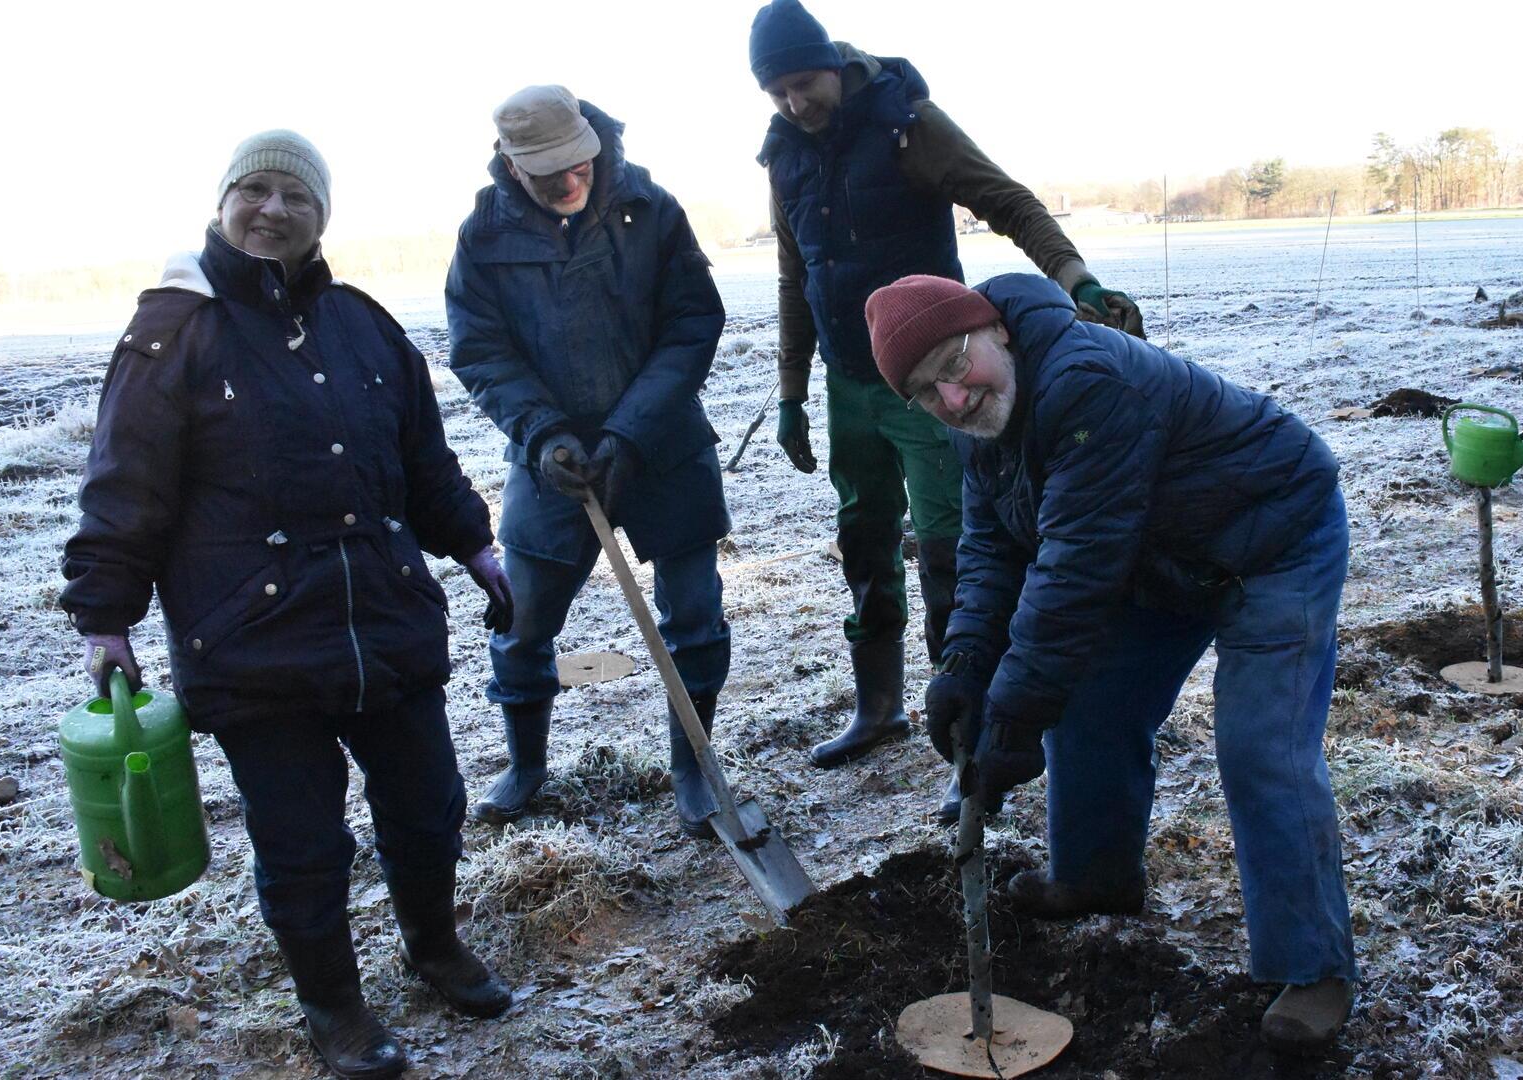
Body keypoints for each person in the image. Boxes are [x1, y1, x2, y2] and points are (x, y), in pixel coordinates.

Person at [61, 131, 516, 1080]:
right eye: (253, 191)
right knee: (305, 843)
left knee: (430, 808)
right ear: (224, 203)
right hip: (250, 640)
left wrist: (474, 545)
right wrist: (107, 615)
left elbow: (423, 461)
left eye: (294, 197)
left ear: (321, 219)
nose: (271, 210)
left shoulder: (362, 323)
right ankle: (336, 1010)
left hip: (383, 620)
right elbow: (124, 484)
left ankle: (433, 949)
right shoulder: (173, 330)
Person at [864, 272, 1357, 1053]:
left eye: (954, 366)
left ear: (992, 328)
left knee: (1262, 746)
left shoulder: (1085, 381)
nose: (953, 400)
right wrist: (963, 664)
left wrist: (1015, 715)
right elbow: (995, 544)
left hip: (1272, 540)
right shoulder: (978, 423)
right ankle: (1097, 876)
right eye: (927, 393)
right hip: (1158, 558)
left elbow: (1074, 569)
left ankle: (1315, 966)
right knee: (1090, 702)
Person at [746, 0, 1146, 818]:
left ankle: (964, 732)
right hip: (849, 384)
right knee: (863, 538)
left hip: (929, 382)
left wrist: (1076, 281)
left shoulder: (903, 121)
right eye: (777, 91)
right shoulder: (783, 154)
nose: (795, 103)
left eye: (803, 83)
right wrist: (792, 392)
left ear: (834, 63)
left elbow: (1006, 199)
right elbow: (797, 277)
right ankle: (878, 705)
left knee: (952, 553)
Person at [445, 86, 732, 837]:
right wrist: (542, 436)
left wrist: (632, 433)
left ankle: (694, 770)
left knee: (695, 616)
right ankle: (525, 765)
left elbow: (694, 321)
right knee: (525, 618)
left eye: (576, 164)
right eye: (545, 174)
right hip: (552, 460)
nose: (567, 182)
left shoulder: (652, 210)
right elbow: (479, 348)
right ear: (510, 166)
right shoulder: (483, 237)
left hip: (662, 444)